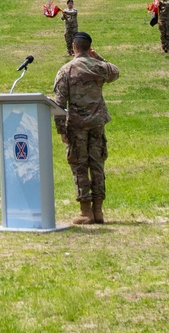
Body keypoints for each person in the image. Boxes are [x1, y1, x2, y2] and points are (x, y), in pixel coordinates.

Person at [52, 31, 120, 225]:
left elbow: (59, 104)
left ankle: (86, 211)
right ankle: (98, 211)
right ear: (89, 48)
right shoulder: (99, 67)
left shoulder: (66, 70)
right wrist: (97, 57)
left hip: (76, 126)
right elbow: (115, 71)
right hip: (97, 124)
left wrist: (62, 131)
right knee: (97, 164)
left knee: (79, 165)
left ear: (73, 46)